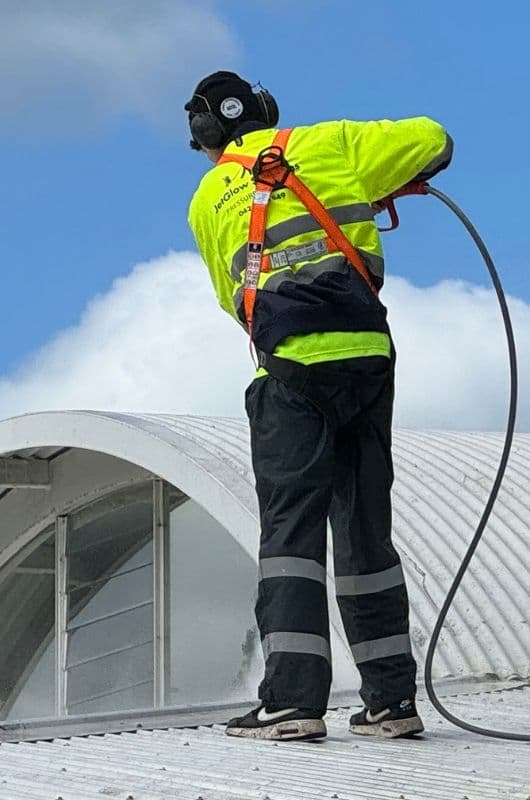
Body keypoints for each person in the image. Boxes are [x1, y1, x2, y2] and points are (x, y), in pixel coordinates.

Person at [184, 71, 452, 742]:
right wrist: (372, 186)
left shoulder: (209, 197)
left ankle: (292, 702)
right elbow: (434, 139)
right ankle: (392, 702)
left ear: (208, 141)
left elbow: (232, 298)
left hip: (291, 370)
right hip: (367, 358)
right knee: (365, 530)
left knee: (291, 538)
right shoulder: (331, 143)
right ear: (267, 112)